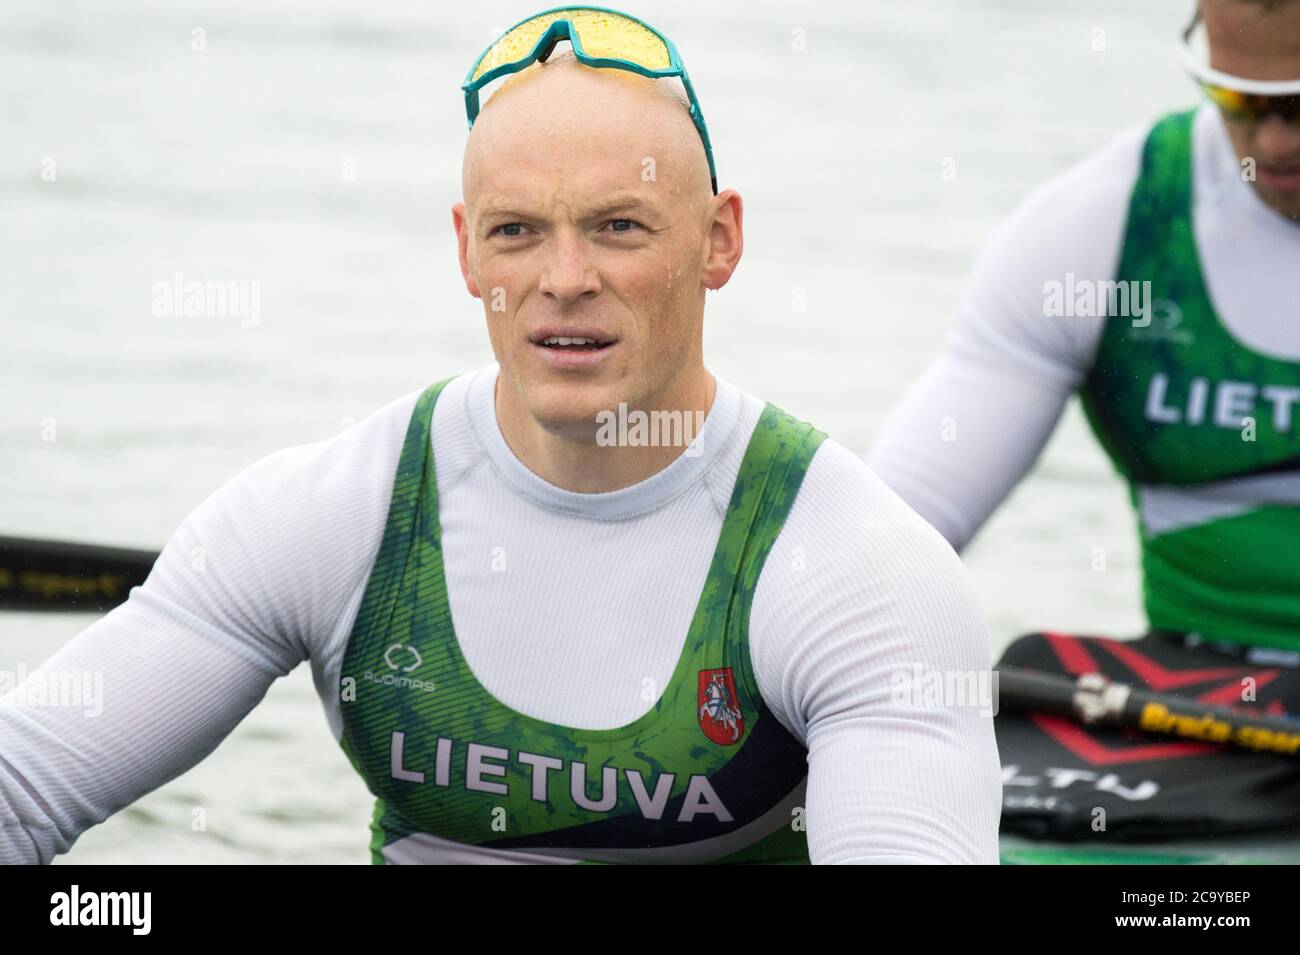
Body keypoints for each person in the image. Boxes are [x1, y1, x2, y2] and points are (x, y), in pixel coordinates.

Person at [0, 6, 1001, 865]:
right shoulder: (327, 513)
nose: (563, 276)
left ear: (719, 240)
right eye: (517, 230)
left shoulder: (856, 573)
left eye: (618, 226)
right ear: (467, 250)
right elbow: (24, 787)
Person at [870, 0, 1300, 655]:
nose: (1272, 143)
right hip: (1206, 701)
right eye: (1236, 97)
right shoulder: (1098, 233)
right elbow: (882, 546)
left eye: (1297, 104)